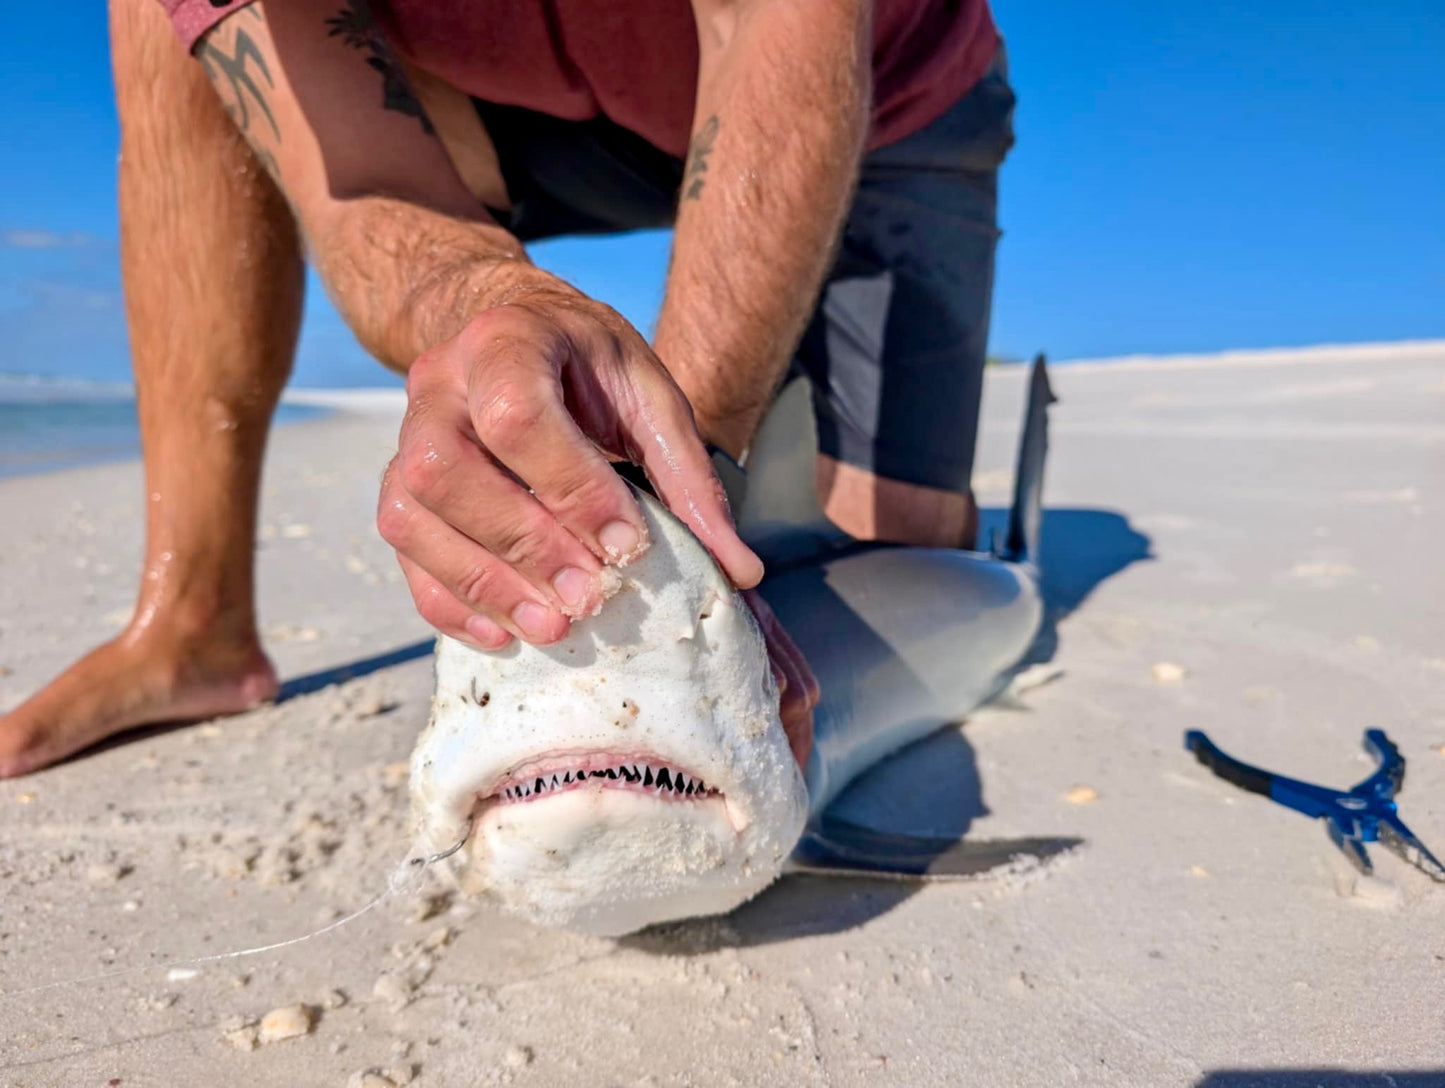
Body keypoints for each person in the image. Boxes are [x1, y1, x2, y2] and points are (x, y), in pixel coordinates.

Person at [0, 0, 1015, 778]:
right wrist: (489, 300)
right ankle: (194, 617)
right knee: (169, 24)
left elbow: (769, 32)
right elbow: (362, 189)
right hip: (492, 108)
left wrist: (675, 523)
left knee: (918, 583)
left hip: (886, 99)